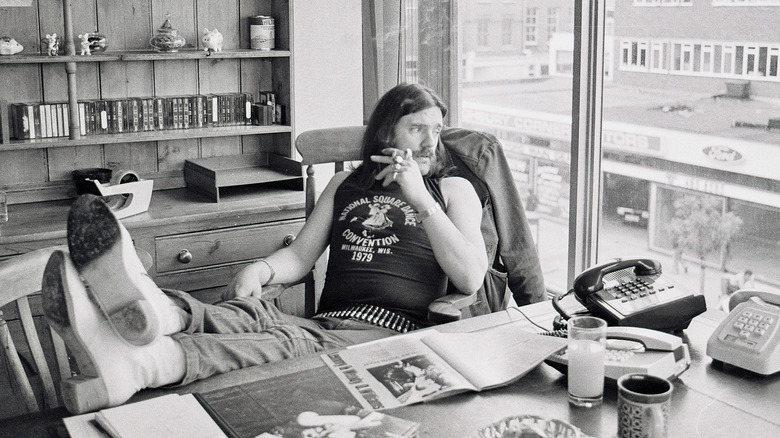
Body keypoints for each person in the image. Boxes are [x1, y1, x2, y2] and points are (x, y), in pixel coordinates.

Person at [42, 83, 488, 414]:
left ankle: (141, 361)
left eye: (437, 130)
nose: (431, 142)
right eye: (417, 129)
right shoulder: (344, 185)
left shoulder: (451, 190)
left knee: (284, 341)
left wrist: (421, 199)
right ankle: (151, 317)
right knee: (252, 315)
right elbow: (299, 256)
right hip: (326, 322)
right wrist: (261, 270)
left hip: (386, 337)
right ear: (387, 133)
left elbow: (469, 277)